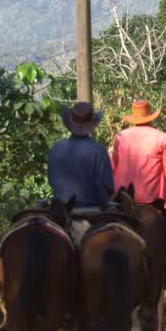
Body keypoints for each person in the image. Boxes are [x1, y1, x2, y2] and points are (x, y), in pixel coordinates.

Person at [110, 99, 166, 292]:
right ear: (150, 116)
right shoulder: (161, 138)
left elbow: (113, 168)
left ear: (134, 118)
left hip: (122, 199)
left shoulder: (120, 137)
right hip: (154, 201)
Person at [47, 102, 115, 244]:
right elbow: (104, 188)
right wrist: (105, 205)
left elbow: (52, 180)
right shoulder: (99, 151)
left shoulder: (57, 148)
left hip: (59, 212)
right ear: (92, 124)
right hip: (90, 211)